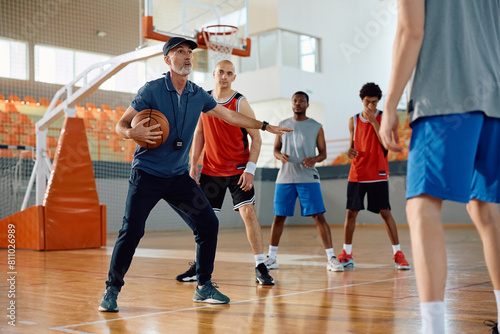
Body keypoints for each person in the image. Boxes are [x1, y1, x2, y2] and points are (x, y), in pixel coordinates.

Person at [98, 37, 291, 312]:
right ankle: (111, 290)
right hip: (147, 174)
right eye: (180, 51)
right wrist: (131, 133)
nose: (187, 56)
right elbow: (121, 123)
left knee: (208, 224)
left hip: (177, 177)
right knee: (132, 231)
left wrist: (264, 125)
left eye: (190, 52)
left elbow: (230, 116)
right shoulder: (152, 89)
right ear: (168, 59)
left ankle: (203, 286)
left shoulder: (197, 94)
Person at [379, 1, 500, 333]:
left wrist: (390, 104)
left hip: (446, 92)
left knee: (422, 205)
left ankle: (433, 328)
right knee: (487, 210)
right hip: (494, 100)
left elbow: (410, 30)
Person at [176, 60, 274, 286]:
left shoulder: (240, 102)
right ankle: (199, 266)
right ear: (214, 73)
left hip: (239, 170)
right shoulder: (204, 100)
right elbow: (199, 132)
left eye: (229, 73)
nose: (224, 76)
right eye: (221, 72)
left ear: (234, 78)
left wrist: (250, 170)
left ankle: (260, 265)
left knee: (248, 213)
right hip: (211, 170)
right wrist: (193, 164)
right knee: (203, 220)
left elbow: (256, 138)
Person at [264, 91, 344, 273]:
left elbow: (323, 153)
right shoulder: (283, 125)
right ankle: (272, 257)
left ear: (307, 104)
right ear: (291, 104)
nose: (298, 103)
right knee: (278, 217)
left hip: (308, 177)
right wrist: (279, 156)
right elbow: (275, 149)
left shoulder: (316, 126)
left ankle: (331, 257)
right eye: (295, 101)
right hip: (285, 178)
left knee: (319, 217)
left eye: (301, 101)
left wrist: (314, 159)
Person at [337, 82, 410, 270]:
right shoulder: (352, 120)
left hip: (378, 172)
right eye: (368, 102)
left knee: (385, 212)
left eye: (375, 102)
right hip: (358, 172)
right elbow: (352, 145)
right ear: (362, 100)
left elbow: (386, 144)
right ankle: (346, 253)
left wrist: (374, 122)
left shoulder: (383, 118)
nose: (371, 106)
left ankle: (398, 254)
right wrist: (350, 151)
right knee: (350, 213)